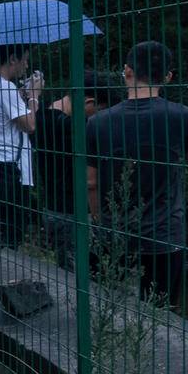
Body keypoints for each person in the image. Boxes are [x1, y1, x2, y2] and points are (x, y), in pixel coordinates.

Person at [88, 41, 188, 305]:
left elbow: (90, 182)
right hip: (164, 232)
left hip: (115, 231)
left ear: (127, 71)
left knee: (108, 307)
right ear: (168, 77)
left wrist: (101, 221)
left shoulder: (98, 122)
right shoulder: (182, 116)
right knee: (160, 314)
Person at [35, 69, 120, 267]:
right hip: (76, 214)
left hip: (51, 208)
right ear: (89, 102)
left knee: (67, 275)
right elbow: (91, 180)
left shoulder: (39, 118)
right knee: (81, 281)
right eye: (100, 110)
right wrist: (98, 217)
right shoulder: (77, 128)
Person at [0, 46, 41, 248]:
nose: (26, 65)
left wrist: (20, 96)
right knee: (11, 239)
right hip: (11, 172)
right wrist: (34, 96)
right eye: (25, 60)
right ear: (13, 59)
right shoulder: (5, 88)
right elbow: (29, 125)